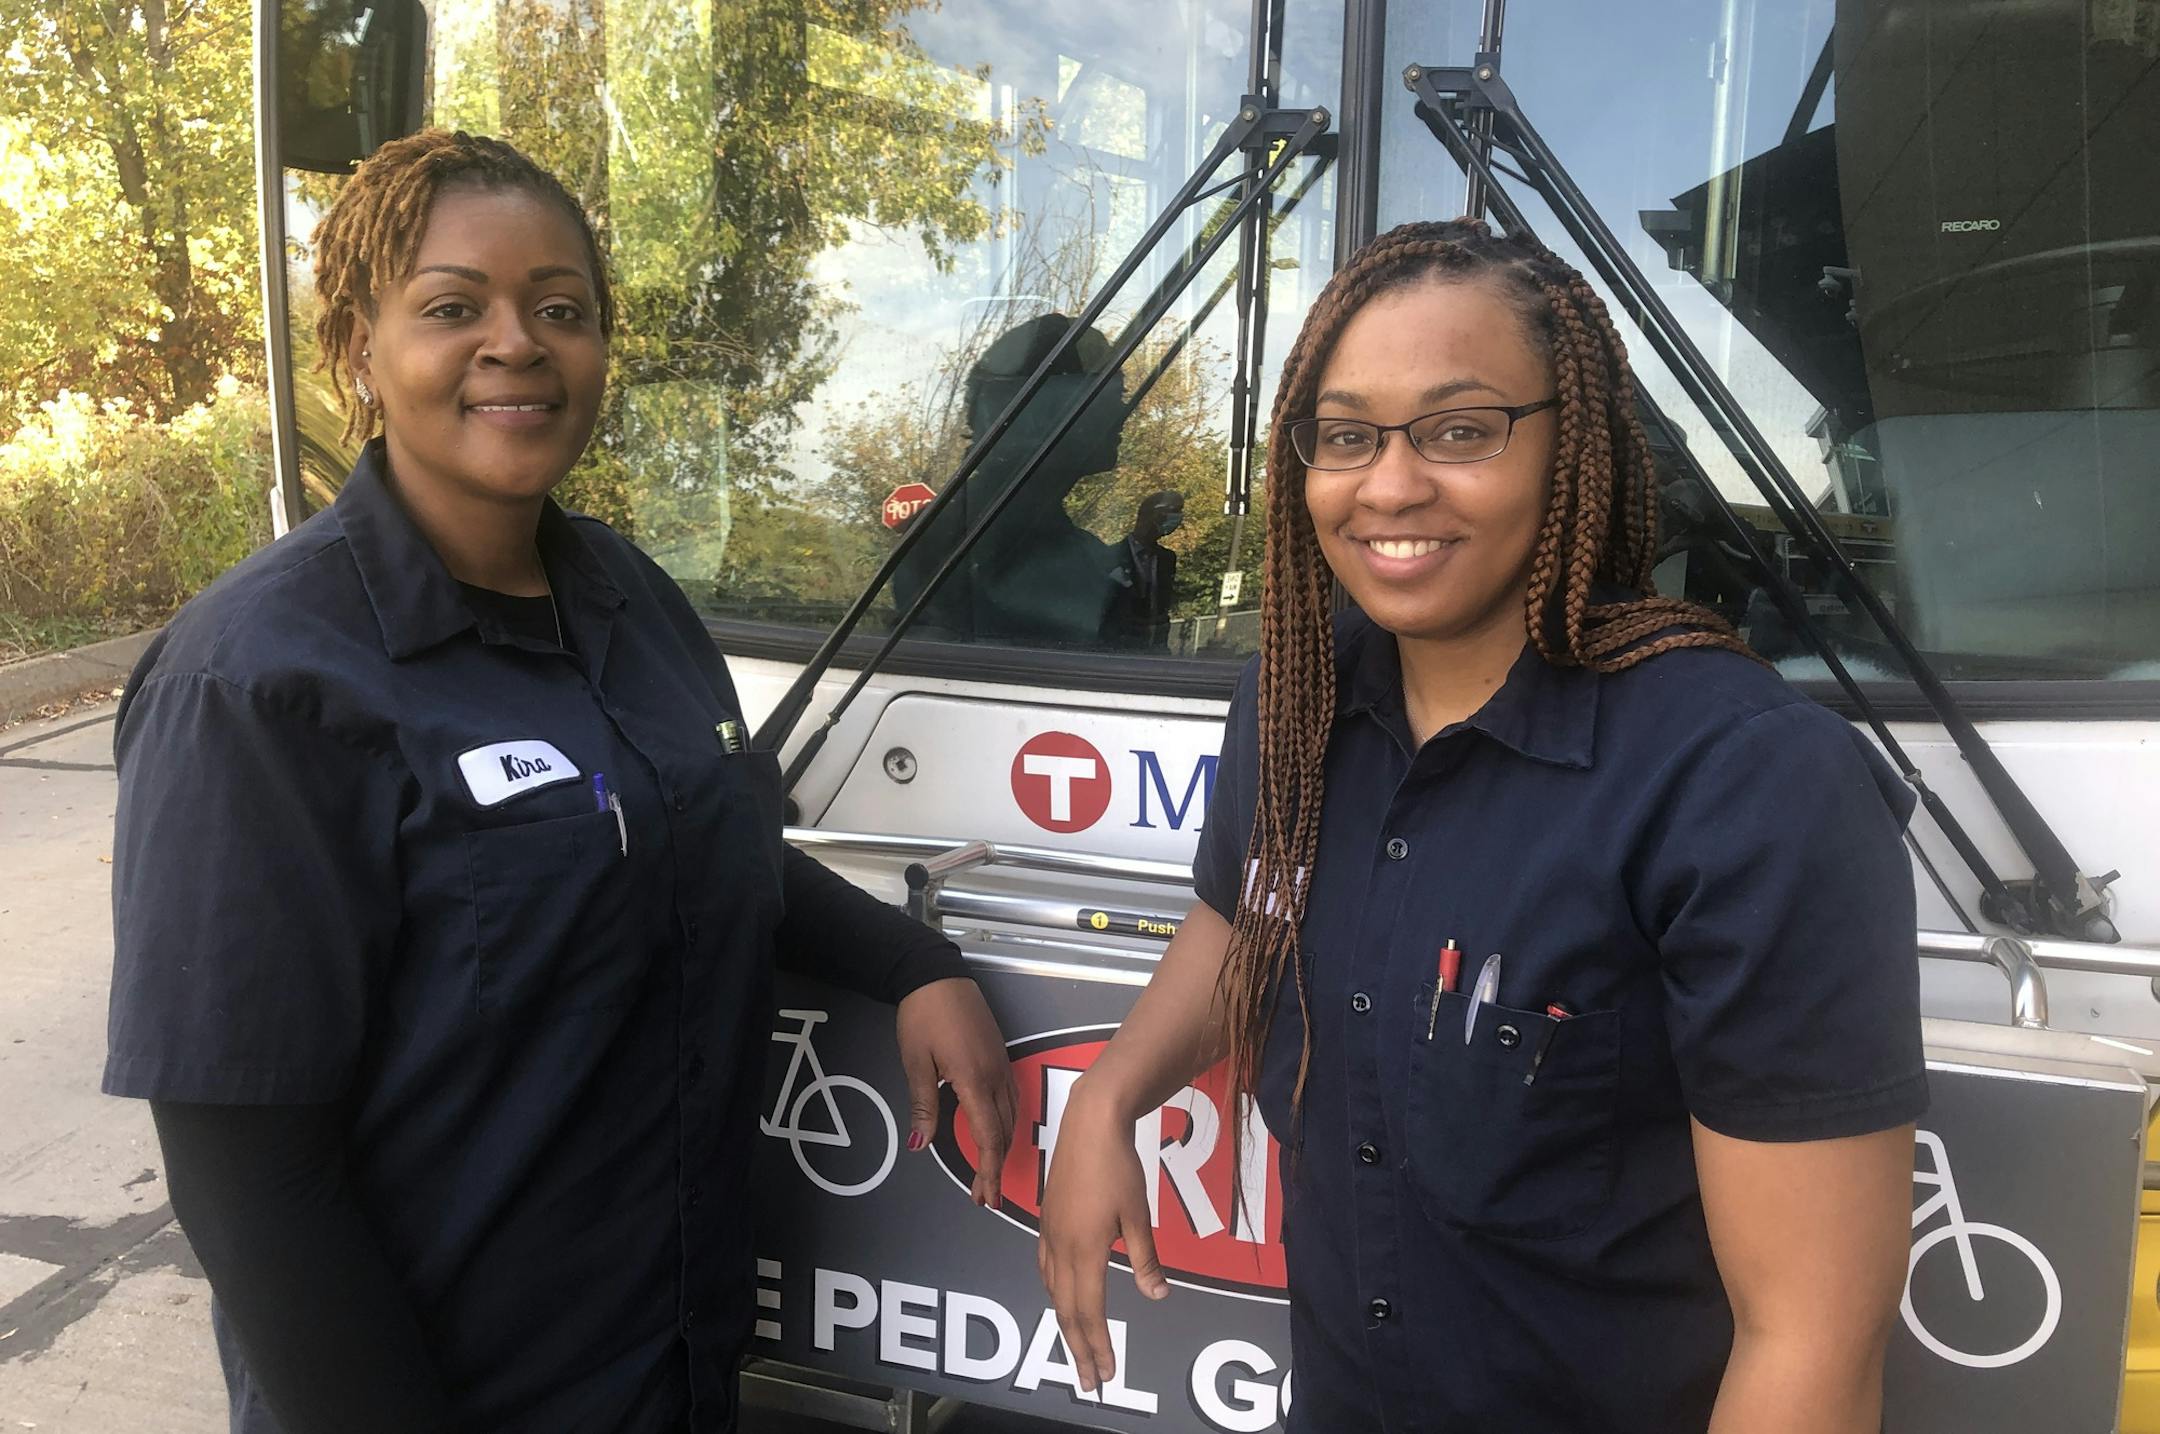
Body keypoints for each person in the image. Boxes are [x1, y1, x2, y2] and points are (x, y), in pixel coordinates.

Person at [103, 129, 1017, 1434]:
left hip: (676, 1371)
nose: (517, 342)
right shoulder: (257, 684)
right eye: (452, 306)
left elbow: (712, 849)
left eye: (560, 308)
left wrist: (912, 962)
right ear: (358, 344)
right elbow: (249, 1178)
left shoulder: (631, 600)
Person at [1037, 219, 1925, 1434]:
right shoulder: (1293, 699)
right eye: (1346, 436)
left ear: (1578, 448)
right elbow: (1246, 911)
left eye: (1461, 430)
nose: (1391, 484)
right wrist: (1109, 1097)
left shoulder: (1751, 786)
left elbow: (1813, 1341)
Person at [1106, 490, 1184, 648]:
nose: (1176, 520)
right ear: (1152, 515)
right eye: (1172, 513)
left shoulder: (1167, 559)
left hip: (1155, 648)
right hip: (1116, 650)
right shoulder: (1111, 557)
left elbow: (1163, 605)